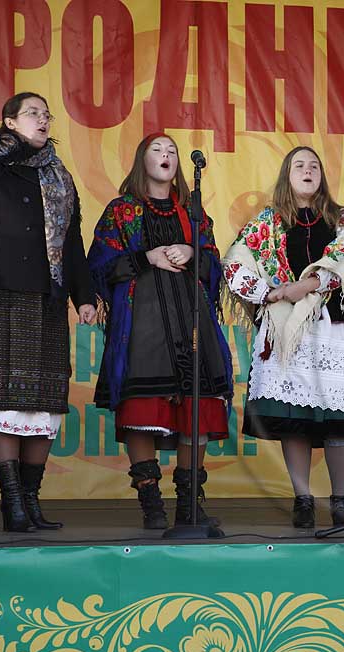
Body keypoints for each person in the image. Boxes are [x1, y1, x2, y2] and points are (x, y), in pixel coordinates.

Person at [0, 92, 96, 532]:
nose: (43, 120)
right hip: (1, 296)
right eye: (33, 113)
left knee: (45, 404)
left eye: (47, 114)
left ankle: (31, 500)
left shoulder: (59, 177)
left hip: (48, 301)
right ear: (10, 122)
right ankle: (11, 502)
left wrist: (83, 296)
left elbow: (72, 244)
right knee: (5, 402)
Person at [87, 133, 234, 530]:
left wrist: (193, 252)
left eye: (172, 151)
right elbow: (100, 266)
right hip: (142, 325)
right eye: (157, 149)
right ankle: (151, 503)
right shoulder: (122, 211)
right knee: (141, 408)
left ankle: (190, 503)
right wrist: (144, 257)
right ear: (142, 160)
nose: (166, 155)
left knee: (198, 406)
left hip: (192, 321)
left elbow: (214, 265)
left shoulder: (194, 213)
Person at [223, 146, 344, 529]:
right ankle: (302, 498)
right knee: (296, 417)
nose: (307, 170)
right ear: (287, 174)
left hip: (332, 327)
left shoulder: (342, 219)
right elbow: (235, 260)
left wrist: (304, 286)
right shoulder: (268, 222)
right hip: (286, 330)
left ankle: (339, 501)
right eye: (299, 165)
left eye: (314, 165)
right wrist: (266, 292)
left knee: (338, 417)